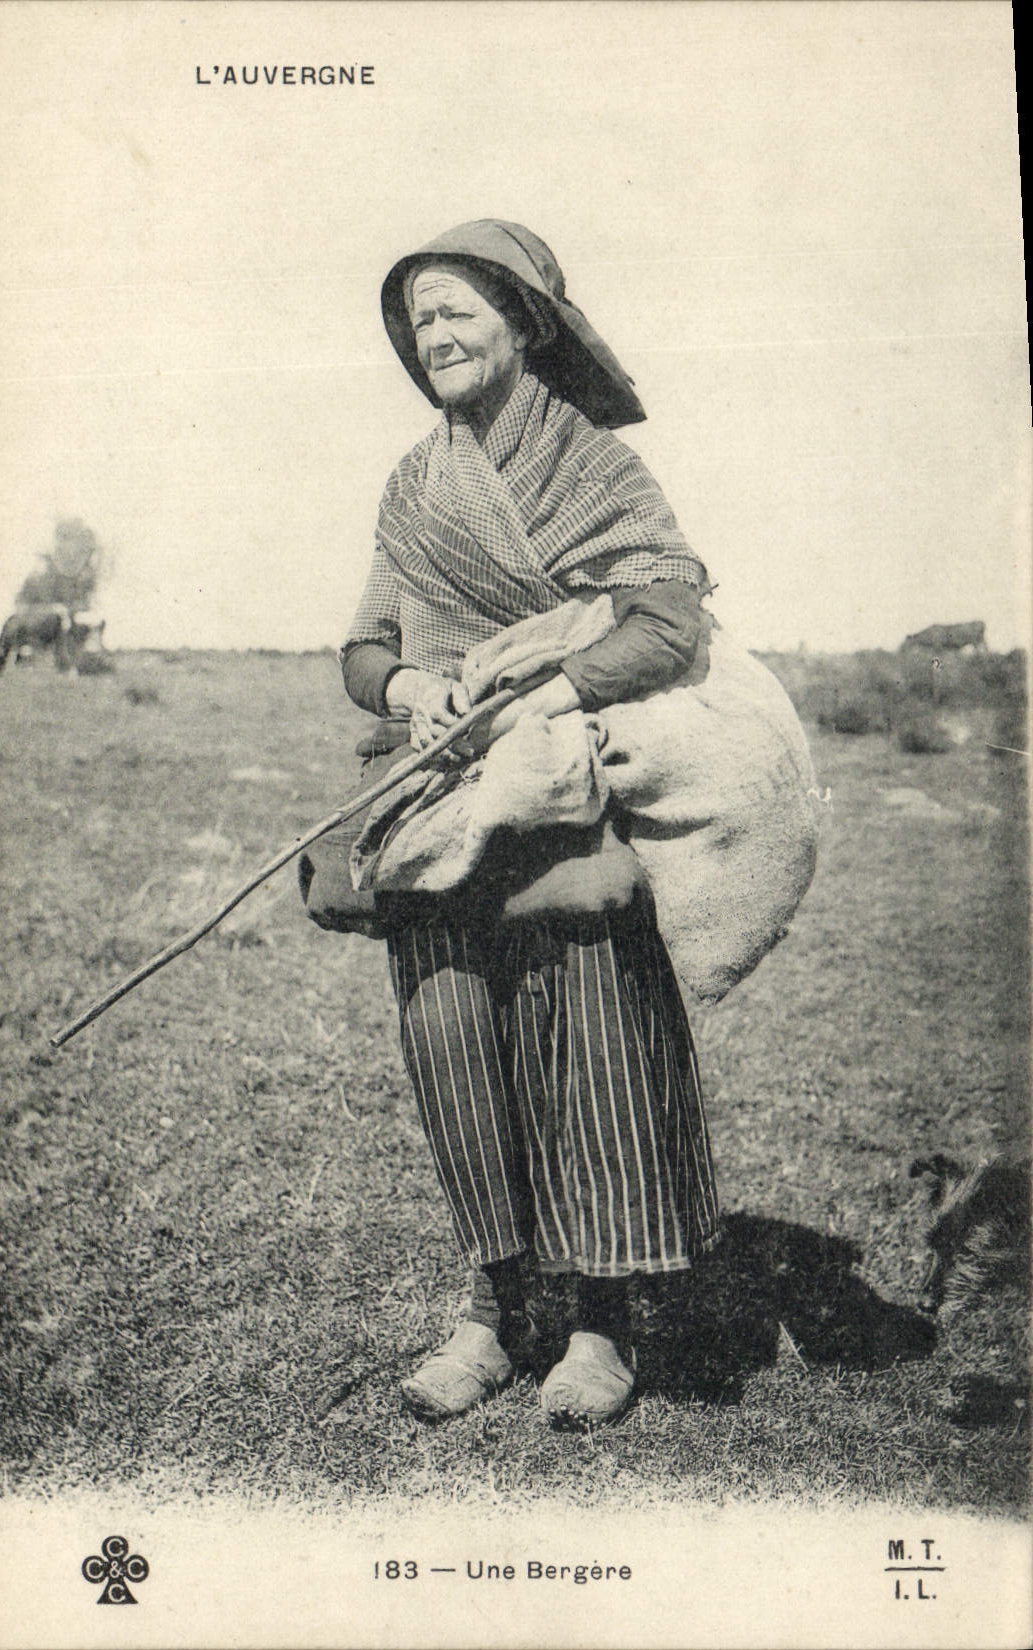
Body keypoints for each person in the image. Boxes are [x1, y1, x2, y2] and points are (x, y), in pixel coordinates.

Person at [313, 219, 721, 1428]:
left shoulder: (594, 468)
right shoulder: (414, 482)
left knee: (587, 1056)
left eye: (457, 311)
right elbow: (362, 647)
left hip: (559, 805)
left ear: (526, 321)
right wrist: (408, 688)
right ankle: (494, 1312)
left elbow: (668, 625)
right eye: (418, 319)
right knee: (452, 1048)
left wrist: (550, 686)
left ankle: (600, 1328)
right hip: (435, 806)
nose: (433, 334)